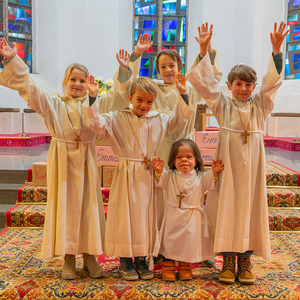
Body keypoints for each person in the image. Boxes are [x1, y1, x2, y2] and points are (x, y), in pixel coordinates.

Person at [0, 37, 135, 280]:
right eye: (73, 79)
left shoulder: (96, 101)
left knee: (89, 208)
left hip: (86, 159)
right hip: (62, 161)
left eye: (82, 80)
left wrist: (125, 69)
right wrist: (12, 59)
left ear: (89, 83)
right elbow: (29, 87)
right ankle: (69, 259)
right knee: (65, 208)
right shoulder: (53, 103)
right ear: (65, 82)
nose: (78, 84)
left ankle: (90, 257)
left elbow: (118, 96)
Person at [186, 22, 289, 284]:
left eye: (249, 84)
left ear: (254, 87)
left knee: (249, 210)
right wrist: (203, 50)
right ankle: (228, 262)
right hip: (228, 167)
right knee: (227, 209)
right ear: (229, 85)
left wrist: (276, 50)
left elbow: (271, 85)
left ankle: (246, 262)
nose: (244, 88)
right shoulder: (221, 105)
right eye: (239, 84)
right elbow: (206, 85)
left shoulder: (261, 105)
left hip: (252, 169)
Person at [82, 76, 193, 281]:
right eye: (140, 100)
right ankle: (125, 259)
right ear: (130, 97)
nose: (145, 105)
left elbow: (179, 119)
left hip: (149, 173)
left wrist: (183, 94)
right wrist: (92, 96)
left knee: (146, 217)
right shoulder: (116, 118)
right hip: (126, 172)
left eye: (150, 101)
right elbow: (95, 123)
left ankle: (142, 257)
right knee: (125, 216)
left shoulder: (159, 118)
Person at [129, 24, 222, 267]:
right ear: (157, 70)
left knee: (193, 194)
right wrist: (137, 54)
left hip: (186, 147)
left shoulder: (190, 87)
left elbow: (211, 78)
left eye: (172, 65)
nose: (168, 70)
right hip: (161, 146)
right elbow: (129, 84)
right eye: (162, 66)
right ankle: (163, 246)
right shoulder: (152, 89)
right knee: (164, 198)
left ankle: (200, 248)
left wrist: (204, 50)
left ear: (180, 67)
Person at [151, 139, 224, 281]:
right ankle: (168, 265)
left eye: (189, 157)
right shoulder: (171, 175)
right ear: (173, 160)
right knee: (169, 241)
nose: (184, 160)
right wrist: (159, 170)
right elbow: (161, 179)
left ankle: (185, 266)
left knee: (188, 242)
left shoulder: (201, 177)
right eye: (179, 157)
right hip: (173, 216)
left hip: (192, 218)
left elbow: (211, 180)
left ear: (196, 160)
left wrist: (214, 172)